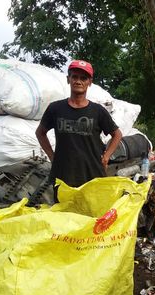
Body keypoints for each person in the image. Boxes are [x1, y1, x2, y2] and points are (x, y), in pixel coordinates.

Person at [36, 59, 122, 199]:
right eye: (74, 76)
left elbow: (117, 134)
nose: (78, 81)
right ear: (68, 79)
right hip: (63, 175)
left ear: (89, 82)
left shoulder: (98, 111)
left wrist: (106, 157)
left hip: (92, 174)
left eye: (83, 78)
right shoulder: (55, 108)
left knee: (91, 215)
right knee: (64, 216)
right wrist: (52, 156)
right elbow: (40, 133)